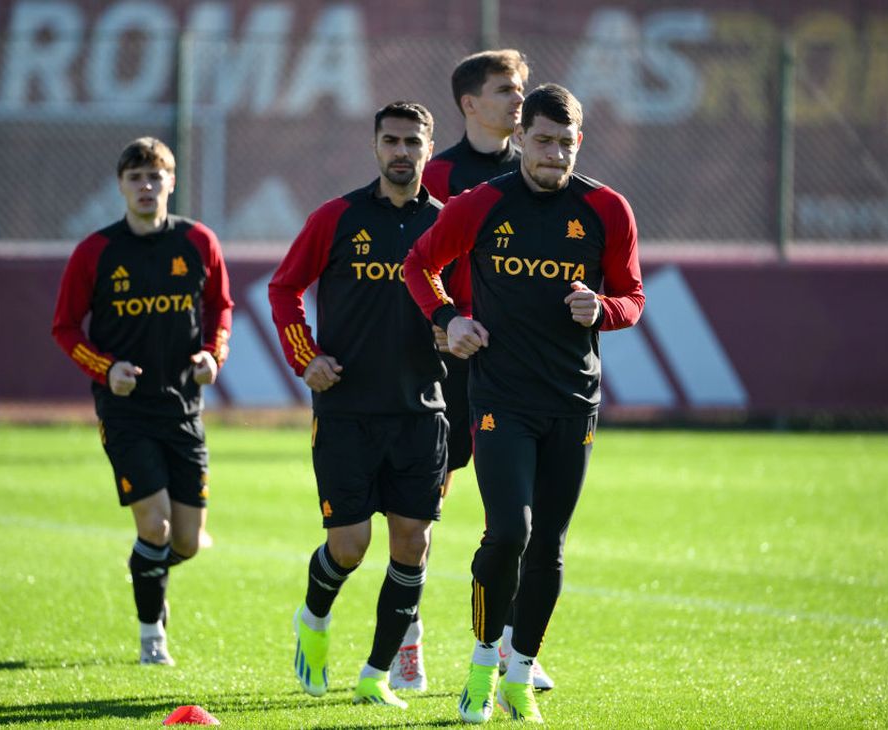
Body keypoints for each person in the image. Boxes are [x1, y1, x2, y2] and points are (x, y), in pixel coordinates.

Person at [403, 83, 645, 724]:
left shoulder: (606, 209)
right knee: (511, 530)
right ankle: (483, 667)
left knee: (550, 548)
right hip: (499, 398)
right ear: (522, 140)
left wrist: (605, 309)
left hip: (573, 400)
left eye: (566, 143)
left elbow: (633, 297)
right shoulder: (481, 203)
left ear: (579, 144)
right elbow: (418, 265)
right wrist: (448, 318)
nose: (554, 154)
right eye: (542, 141)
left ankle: (519, 673)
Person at [268, 101, 457, 711]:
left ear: (429, 149)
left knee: (412, 543)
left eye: (413, 142)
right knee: (349, 546)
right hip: (347, 410)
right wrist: (306, 357)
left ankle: (377, 674)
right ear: (375, 146)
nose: (402, 152)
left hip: (423, 409)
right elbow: (284, 287)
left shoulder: (450, 223)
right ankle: (313, 618)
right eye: (392, 140)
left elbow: (476, 300)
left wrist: (456, 328)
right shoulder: (337, 217)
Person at [393, 47, 556, 695]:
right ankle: (404, 636)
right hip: (443, 365)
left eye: (521, 88)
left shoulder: (539, 170)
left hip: (516, 368)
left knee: (522, 517)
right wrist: (444, 321)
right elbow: (406, 264)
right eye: (505, 90)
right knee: (422, 515)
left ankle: (518, 642)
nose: (520, 100)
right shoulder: (435, 176)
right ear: (469, 104)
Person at [51, 137, 233, 666]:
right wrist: (106, 370)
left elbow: (220, 308)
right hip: (126, 410)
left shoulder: (199, 241)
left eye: (156, 177)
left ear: (171, 183)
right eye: (136, 178)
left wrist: (212, 356)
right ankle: (152, 634)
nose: (147, 187)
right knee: (153, 527)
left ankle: (147, 572)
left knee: (188, 542)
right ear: (121, 186)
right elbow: (64, 327)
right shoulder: (96, 252)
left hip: (184, 407)